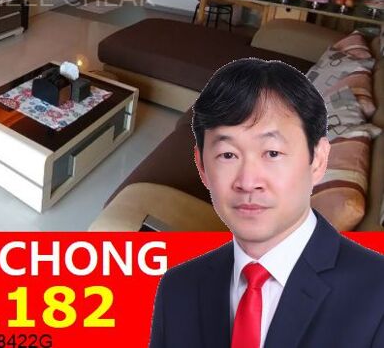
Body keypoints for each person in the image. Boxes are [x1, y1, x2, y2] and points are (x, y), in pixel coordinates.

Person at [149, 57, 384, 348]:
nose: (248, 181)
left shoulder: (377, 294)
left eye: (272, 153)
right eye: (227, 155)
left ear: (318, 160)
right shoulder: (178, 288)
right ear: (202, 166)